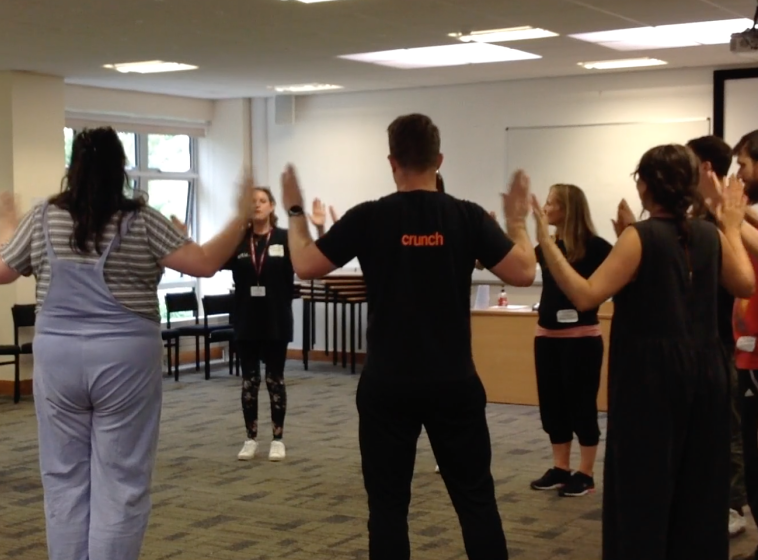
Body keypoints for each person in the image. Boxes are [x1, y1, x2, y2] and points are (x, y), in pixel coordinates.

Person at [0, 126, 254, 560]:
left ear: (73, 169)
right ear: (120, 169)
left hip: (58, 359)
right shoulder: (142, 218)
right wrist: (241, 217)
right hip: (125, 359)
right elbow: (203, 263)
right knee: (121, 479)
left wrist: (8, 223)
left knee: (64, 479)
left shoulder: (43, 216)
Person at [283, 113, 538, 560]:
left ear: (391, 161)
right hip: (453, 381)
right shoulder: (465, 215)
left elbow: (304, 264)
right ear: (439, 160)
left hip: (388, 383)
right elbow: (524, 271)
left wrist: (296, 212)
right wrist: (518, 220)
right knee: (476, 501)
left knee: (387, 507)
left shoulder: (369, 217)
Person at [534, 144, 753, 560]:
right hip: (707, 368)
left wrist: (547, 245)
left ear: (645, 184)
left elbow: (585, 295)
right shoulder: (706, 234)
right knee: (701, 477)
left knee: (645, 479)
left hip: (651, 374)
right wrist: (729, 224)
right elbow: (744, 282)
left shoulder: (641, 236)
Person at [529, 184, 611, 497]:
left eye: (551, 203)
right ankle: (560, 467)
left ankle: (586, 474)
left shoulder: (597, 246)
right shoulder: (546, 247)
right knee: (552, 405)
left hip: (581, 339)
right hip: (546, 337)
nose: (545, 208)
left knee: (581, 405)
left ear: (567, 209)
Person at [687, 134, 750, 538]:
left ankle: (732, 505)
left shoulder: (726, 218)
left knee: (730, 429)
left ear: (706, 168)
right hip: (698, 339)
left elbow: (742, 279)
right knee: (707, 426)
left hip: (727, 339)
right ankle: (708, 499)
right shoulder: (695, 217)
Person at [227, 186, 295, 462]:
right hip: (246, 319)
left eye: (262, 201)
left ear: (272, 206)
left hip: (276, 318)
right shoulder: (239, 241)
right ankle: (250, 437)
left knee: (274, 379)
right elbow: (211, 261)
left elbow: (306, 261)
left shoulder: (284, 239)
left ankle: (277, 439)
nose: (257, 205)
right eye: (252, 201)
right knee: (249, 381)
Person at [731, 129, 758, 560]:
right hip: (746, 349)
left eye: (745, 165)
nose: (739, 173)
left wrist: (731, 221)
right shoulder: (748, 214)